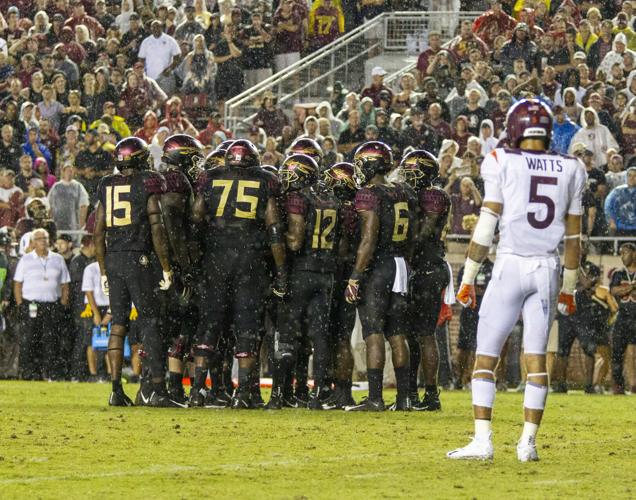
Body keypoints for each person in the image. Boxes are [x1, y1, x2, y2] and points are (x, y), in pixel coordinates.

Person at [448, 99, 585, 462]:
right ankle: (527, 443)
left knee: (486, 356)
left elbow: (488, 222)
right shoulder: (572, 166)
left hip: (509, 265)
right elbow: (574, 237)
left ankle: (483, 441)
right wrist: (569, 289)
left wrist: (468, 276)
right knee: (536, 358)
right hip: (547, 268)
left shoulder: (501, 159)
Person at [191, 139, 286, 409]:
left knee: (209, 325)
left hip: (216, 259)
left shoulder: (210, 177)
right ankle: (243, 392)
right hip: (250, 259)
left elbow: (196, 218)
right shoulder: (265, 179)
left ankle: (197, 391)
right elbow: (274, 229)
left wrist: (196, 258)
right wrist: (280, 271)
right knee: (247, 327)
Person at [94, 137, 175, 407]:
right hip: (138, 257)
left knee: (118, 323)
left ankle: (116, 389)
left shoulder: (106, 184)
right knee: (151, 321)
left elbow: (98, 232)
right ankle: (156, 387)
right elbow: (156, 227)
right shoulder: (148, 181)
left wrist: (104, 270)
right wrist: (165, 266)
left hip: (114, 258)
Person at [344, 142, 414, 411]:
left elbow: (368, 239)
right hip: (400, 264)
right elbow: (411, 234)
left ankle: (375, 398)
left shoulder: (369, 194)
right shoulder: (403, 191)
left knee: (373, 333)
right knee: (397, 334)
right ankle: (405, 398)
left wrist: (355, 276)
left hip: (379, 266)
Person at [269, 153, 341, 409]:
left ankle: (280, 394)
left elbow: (296, 240)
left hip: (302, 271)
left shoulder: (299, 198)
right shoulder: (331, 198)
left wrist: (275, 232)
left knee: (287, 334)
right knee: (319, 336)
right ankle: (318, 393)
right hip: (326, 273)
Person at [396, 150, 450, 411]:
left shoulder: (433, 196)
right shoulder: (422, 195)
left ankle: (430, 394)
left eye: (410, 170)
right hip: (424, 267)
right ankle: (414, 393)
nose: (405, 175)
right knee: (412, 333)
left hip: (427, 267)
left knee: (425, 334)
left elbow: (423, 233)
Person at [14, 228, 70, 380]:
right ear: (33, 242)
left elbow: (65, 284)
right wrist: (20, 304)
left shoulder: (58, 259)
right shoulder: (25, 260)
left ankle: (51, 373)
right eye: (39, 239)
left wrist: (63, 304)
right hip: (31, 305)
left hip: (52, 305)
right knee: (30, 339)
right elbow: (18, 284)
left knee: (52, 340)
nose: (43, 241)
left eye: (45, 238)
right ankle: (29, 373)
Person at [609, 243, 636, 394]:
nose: (622, 256)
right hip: (623, 318)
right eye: (620, 253)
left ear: (634, 253)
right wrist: (631, 287)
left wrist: (624, 289)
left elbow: (619, 290)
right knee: (617, 353)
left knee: (633, 354)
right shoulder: (618, 274)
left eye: (625, 253)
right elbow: (613, 291)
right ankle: (618, 386)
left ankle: (633, 385)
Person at [47, 165, 89, 239]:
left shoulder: (78, 186)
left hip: (73, 224)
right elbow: (50, 205)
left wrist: (81, 224)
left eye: (71, 171)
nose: (69, 173)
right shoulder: (56, 187)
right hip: (58, 223)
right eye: (67, 171)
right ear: (63, 172)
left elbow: (84, 205)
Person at [604, 167, 636, 236]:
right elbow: (608, 207)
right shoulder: (617, 191)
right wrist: (611, 221)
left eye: (635, 176)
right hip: (619, 227)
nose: (632, 178)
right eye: (629, 175)